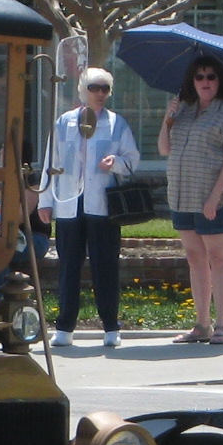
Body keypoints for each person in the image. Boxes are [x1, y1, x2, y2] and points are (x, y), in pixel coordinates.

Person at [39, 66, 141, 348]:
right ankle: (65, 327)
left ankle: (110, 326)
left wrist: (116, 163)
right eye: (94, 88)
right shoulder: (64, 122)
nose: (99, 94)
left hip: (103, 204)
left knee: (105, 265)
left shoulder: (117, 123)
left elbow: (132, 159)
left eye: (104, 88)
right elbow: (52, 161)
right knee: (68, 265)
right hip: (70, 202)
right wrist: (45, 200)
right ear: (83, 90)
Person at [158, 56, 223, 345]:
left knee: (218, 257)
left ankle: (221, 324)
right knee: (195, 258)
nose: (205, 82)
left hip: (216, 197)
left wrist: (215, 196)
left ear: (219, 80)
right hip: (183, 194)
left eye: (211, 76)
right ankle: (201, 324)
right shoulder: (182, 110)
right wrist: (167, 119)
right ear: (191, 81)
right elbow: (163, 149)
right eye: (200, 77)